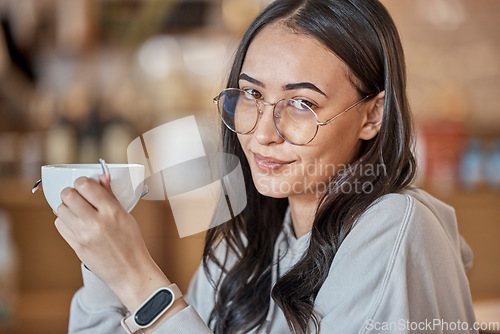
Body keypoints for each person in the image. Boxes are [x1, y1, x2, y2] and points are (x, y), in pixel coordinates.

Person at [55, 0, 477, 333]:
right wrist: (103, 263)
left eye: (300, 103)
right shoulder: (245, 244)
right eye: (252, 95)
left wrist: (140, 281)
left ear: (373, 115)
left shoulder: (392, 228)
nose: (262, 134)